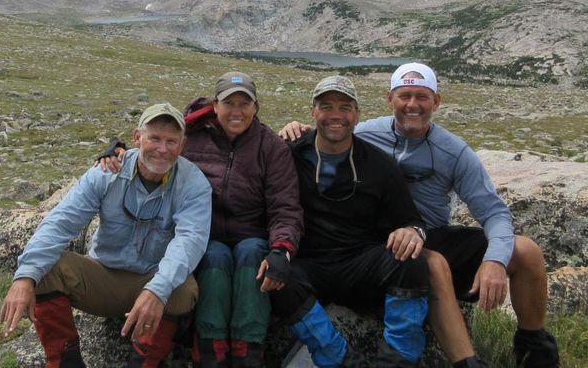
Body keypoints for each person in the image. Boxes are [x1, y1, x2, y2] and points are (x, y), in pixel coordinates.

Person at [280, 64, 559, 368]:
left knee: (526, 252)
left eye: (422, 97)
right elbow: (332, 131)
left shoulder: (454, 152)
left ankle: (535, 351)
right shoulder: (365, 133)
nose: (412, 105)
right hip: (375, 244)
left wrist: (495, 259)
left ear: (436, 101)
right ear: (390, 99)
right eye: (405, 96)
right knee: (433, 264)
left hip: (428, 232)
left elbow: (494, 211)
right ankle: (466, 361)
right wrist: (296, 131)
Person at [98, 72, 303, 368]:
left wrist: (282, 248)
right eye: (228, 103)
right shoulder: (191, 135)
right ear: (215, 104)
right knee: (215, 255)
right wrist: (119, 152)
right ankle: (211, 349)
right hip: (200, 233)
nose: (236, 111)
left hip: (252, 236)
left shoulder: (270, 146)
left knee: (251, 253)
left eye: (244, 103)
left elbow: (285, 205)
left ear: (256, 107)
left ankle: (248, 349)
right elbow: (158, 147)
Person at [0, 103, 212, 368]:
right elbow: (62, 221)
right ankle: (65, 362)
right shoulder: (106, 171)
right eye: (154, 138)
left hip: (153, 278)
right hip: (102, 277)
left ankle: (143, 362)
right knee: (46, 269)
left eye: (171, 141)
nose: (162, 148)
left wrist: (157, 290)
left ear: (182, 145)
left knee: (183, 289)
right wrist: (25, 276)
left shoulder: (194, 183)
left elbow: (190, 240)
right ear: (138, 137)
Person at [270, 75, 430, 368]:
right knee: (277, 276)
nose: (336, 115)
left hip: (361, 262)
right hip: (309, 263)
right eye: (327, 106)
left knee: (412, 260)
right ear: (313, 112)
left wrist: (412, 232)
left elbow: (411, 220)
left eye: (345, 107)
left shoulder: (380, 164)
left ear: (357, 115)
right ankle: (339, 359)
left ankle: (399, 361)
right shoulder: (288, 154)